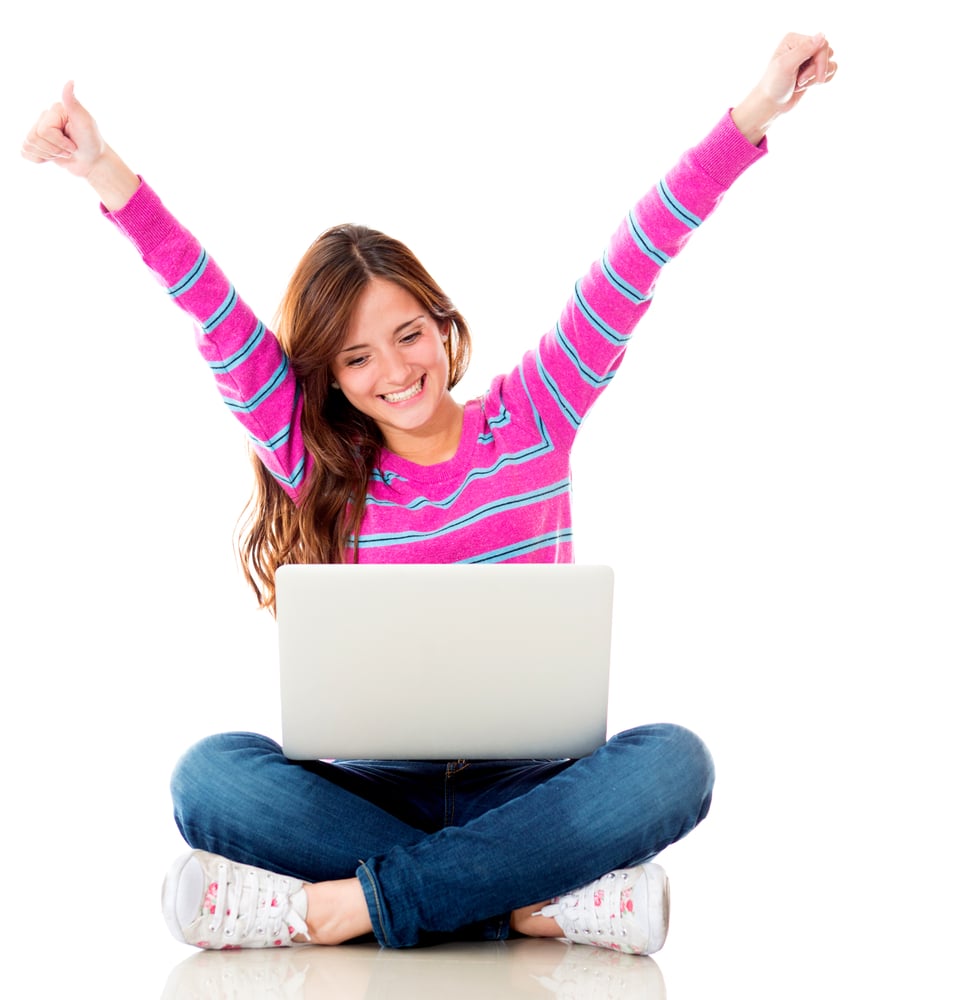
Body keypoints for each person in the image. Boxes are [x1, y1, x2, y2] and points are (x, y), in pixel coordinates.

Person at [22, 31, 836, 955]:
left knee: (675, 764)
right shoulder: (318, 459)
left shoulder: (534, 413)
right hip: (377, 791)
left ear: (441, 321)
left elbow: (636, 253)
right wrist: (103, 170)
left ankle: (338, 909)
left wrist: (757, 109)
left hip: (530, 784)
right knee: (209, 780)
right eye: (357, 359)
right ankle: (532, 904)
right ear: (329, 380)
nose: (395, 372)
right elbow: (206, 303)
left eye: (408, 335)